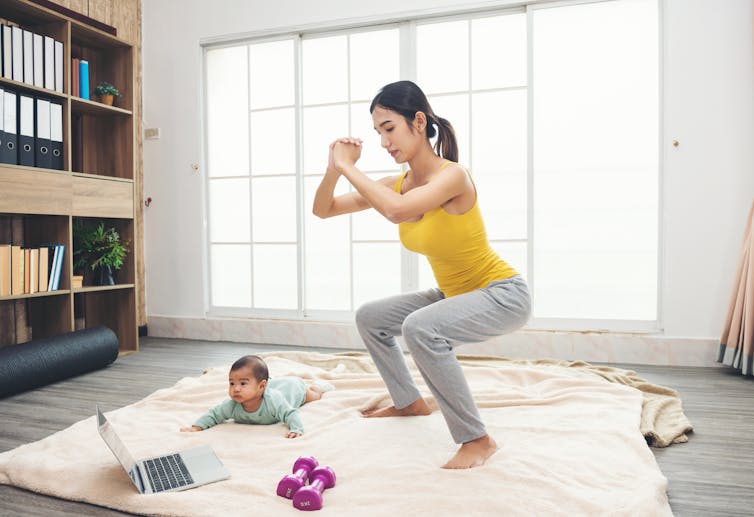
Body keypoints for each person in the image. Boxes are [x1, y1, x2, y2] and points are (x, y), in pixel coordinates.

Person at [312, 80, 531, 469]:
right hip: (454, 295)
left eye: (389, 128)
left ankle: (477, 439)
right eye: (378, 132)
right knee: (370, 317)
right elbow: (323, 209)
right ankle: (408, 401)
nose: (383, 141)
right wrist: (334, 168)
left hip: (502, 293)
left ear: (417, 121)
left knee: (420, 328)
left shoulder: (453, 176)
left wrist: (348, 166)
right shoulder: (396, 184)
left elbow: (397, 211)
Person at [180, 355, 330, 438]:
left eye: (243, 384)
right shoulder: (232, 405)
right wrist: (197, 427)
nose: (236, 389)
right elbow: (214, 414)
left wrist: (296, 429)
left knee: (314, 396)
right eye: (232, 383)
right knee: (271, 382)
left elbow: (290, 413)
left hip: (292, 389)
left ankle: (317, 387)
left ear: (261, 387)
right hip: (271, 384)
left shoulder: (273, 400)